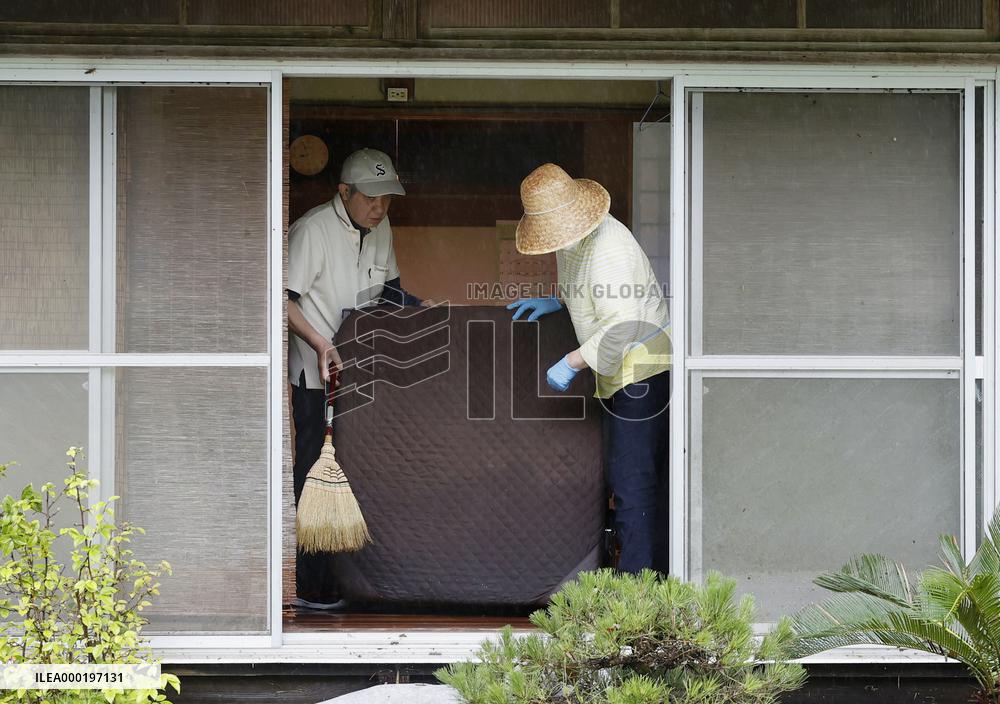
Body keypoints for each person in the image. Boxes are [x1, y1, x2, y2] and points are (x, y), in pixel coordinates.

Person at [507, 163, 671, 574]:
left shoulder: (609, 249)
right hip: (620, 373)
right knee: (626, 479)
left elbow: (621, 327)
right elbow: (584, 286)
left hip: (642, 373)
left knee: (634, 486)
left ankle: (639, 594)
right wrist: (558, 301)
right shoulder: (575, 237)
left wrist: (572, 361)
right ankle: (644, 582)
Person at [287, 147, 420, 609]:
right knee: (314, 474)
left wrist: (434, 318)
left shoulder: (381, 228)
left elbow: (393, 294)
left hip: (365, 375)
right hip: (317, 375)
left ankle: (356, 583)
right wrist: (321, 343)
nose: (379, 207)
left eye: (387, 198)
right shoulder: (312, 230)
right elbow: (280, 301)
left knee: (362, 471)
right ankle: (310, 587)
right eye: (370, 198)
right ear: (344, 192)